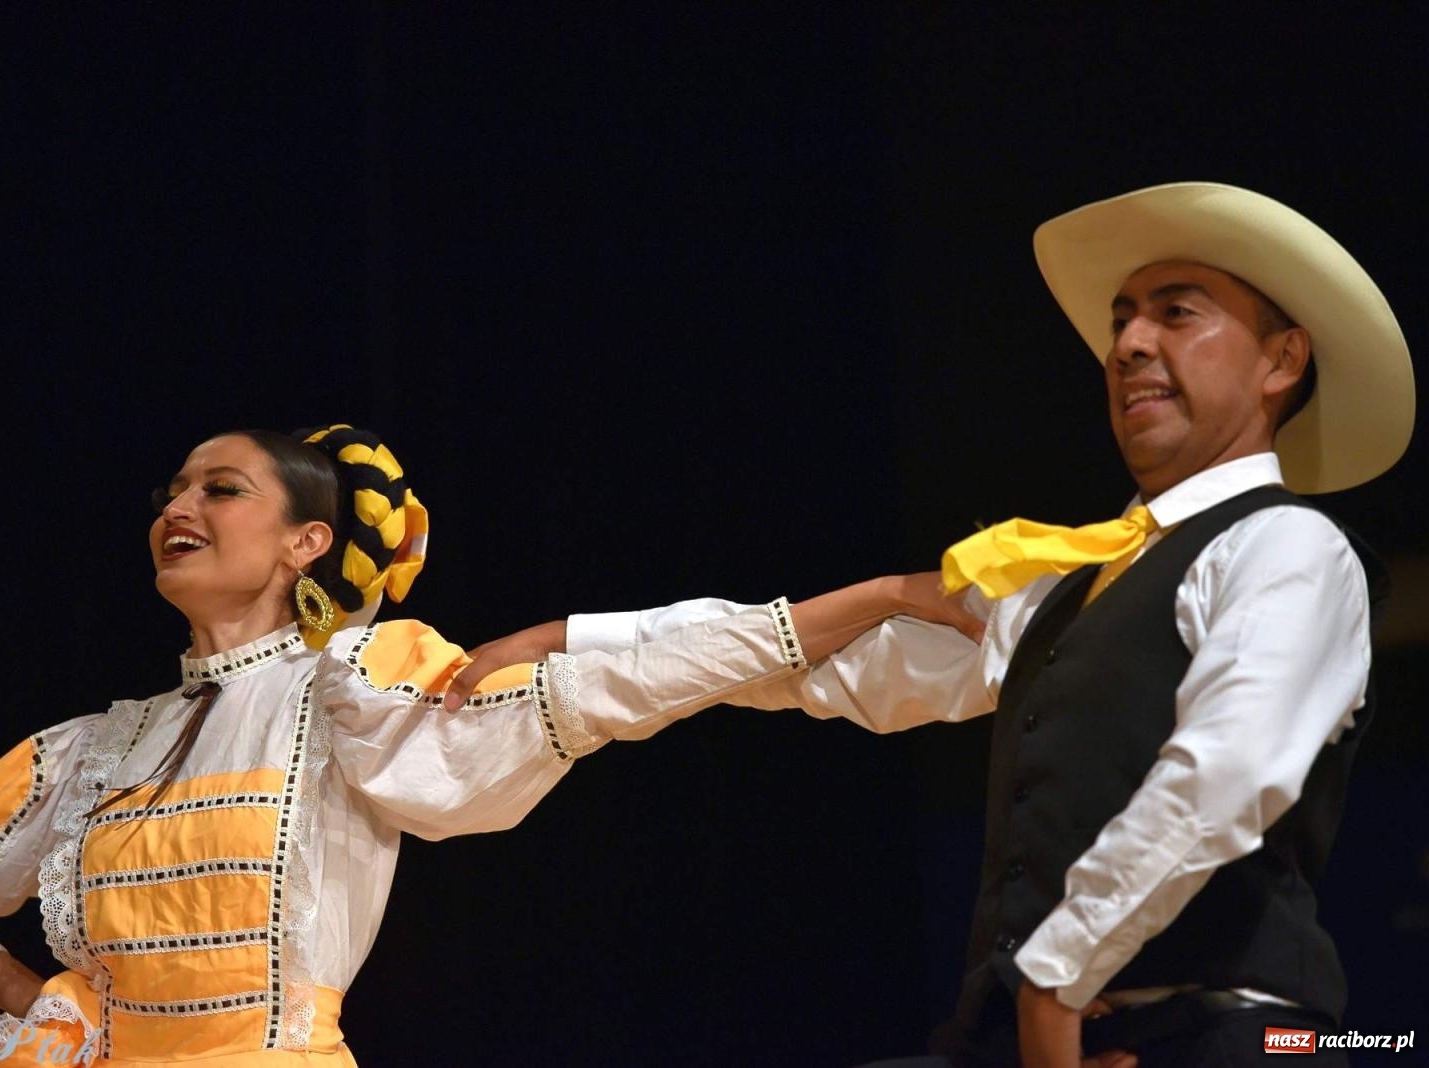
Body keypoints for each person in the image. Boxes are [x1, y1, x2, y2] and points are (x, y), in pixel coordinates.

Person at [447, 183, 1414, 1067]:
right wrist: (573, 638)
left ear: (1283, 358)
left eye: (1176, 313)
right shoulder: (1072, 581)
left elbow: (1230, 769)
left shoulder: (1287, 548)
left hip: (1225, 1031)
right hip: (1032, 1034)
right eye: (1122, 321)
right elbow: (818, 665)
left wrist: (1052, 980)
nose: (1126, 345)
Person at [0, 423, 980, 1068]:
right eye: (170, 492)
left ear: (307, 541)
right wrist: (25, 995)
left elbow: (617, 681)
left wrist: (873, 594)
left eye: (219, 488)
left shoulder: (346, 683)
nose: (177, 507)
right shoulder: (97, 747)